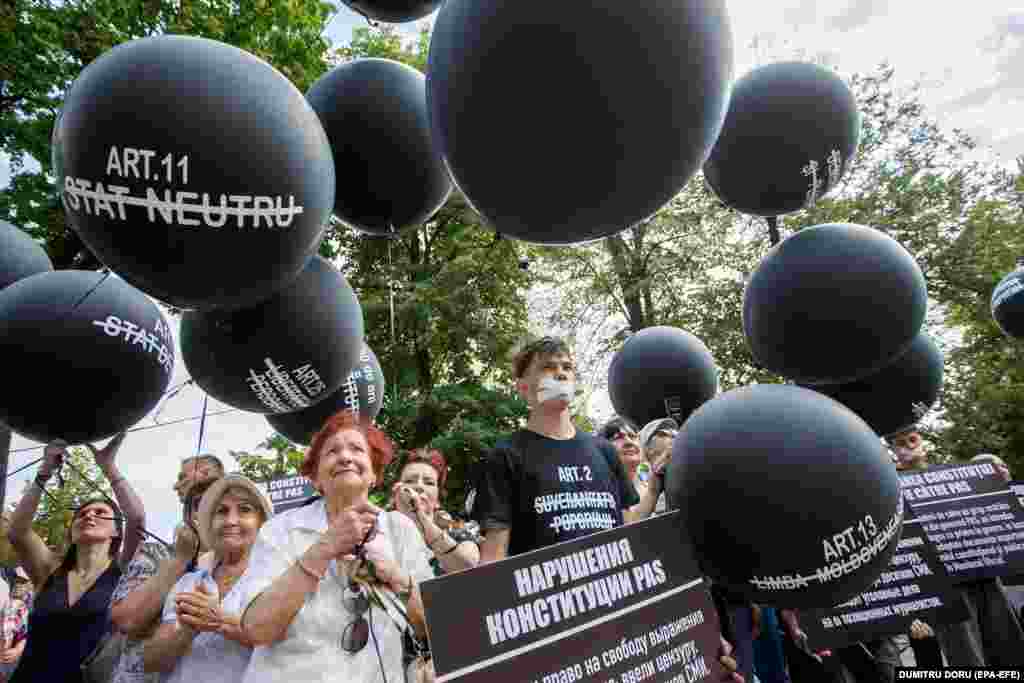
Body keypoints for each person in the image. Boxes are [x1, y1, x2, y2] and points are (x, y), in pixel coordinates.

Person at [471, 336, 742, 681]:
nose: (560, 375)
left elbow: (629, 528)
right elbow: (493, 557)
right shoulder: (505, 456)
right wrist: (480, 653)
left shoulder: (603, 452)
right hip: (556, 629)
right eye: (548, 368)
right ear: (523, 388)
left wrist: (693, 626)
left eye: (567, 367)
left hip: (619, 621)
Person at [238, 411, 434, 683]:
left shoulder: (399, 529)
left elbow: (433, 624)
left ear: (375, 474)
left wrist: (393, 576)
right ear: (316, 479)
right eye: (332, 451)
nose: (345, 457)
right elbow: (257, 629)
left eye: (357, 449)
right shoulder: (281, 530)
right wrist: (323, 549)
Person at [7, 433, 145, 682]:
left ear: (117, 531)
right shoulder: (50, 569)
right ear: (71, 530)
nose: (89, 516)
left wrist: (108, 467)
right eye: (81, 514)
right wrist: (45, 469)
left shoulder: (123, 569)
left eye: (100, 512)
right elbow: (17, 531)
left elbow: (136, 519)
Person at [890, 429, 1024, 669]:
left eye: (912, 440)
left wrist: (1000, 487)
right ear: (894, 452)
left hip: (983, 575)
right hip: (945, 587)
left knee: (1007, 644)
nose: (908, 447)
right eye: (900, 444)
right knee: (968, 657)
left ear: (924, 444)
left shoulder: (956, 476)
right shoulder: (891, 488)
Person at [144, 474, 272, 681]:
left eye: (245, 510)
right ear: (211, 524)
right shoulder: (189, 582)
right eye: (221, 511)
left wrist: (219, 620)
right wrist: (186, 629)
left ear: (262, 522)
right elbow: (151, 661)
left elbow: (289, 645)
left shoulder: (277, 577)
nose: (231, 520)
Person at [110, 458, 224, 683]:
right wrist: (180, 559)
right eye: (196, 505)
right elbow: (126, 620)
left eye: (182, 477)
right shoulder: (156, 554)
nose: (175, 486)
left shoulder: (248, 561)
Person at [391, 448, 480, 576]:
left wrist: (421, 519)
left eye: (429, 482)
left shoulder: (458, 532)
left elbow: (467, 566)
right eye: (409, 481)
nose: (419, 486)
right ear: (395, 492)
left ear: (438, 499)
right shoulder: (378, 532)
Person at [637, 417, 678, 516]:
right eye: (663, 434)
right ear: (647, 448)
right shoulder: (640, 477)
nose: (673, 435)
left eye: (675, 432)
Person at [0, 569, 31, 682]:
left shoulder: (18, 607)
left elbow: (24, 633)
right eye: (17, 580)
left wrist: (19, 648)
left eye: (23, 582)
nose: (19, 585)